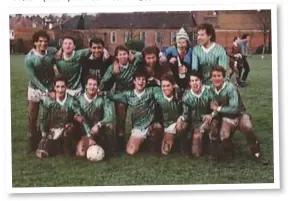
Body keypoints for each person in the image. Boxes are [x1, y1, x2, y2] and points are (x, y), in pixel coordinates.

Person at [209, 65, 268, 164]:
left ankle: (257, 153)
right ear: (211, 78)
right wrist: (212, 114)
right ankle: (230, 151)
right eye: (214, 76)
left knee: (247, 127)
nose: (216, 78)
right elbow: (214, 105)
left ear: (224, 77)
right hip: (227, 117)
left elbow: (234, 108)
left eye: (219, 76)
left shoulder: (230, 87)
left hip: (240, 114)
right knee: (224, 136)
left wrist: (218, 109)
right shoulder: (211, 88)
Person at [106, 69, 163, 156]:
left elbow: (164, 90)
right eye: (138, 79)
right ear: (134, 81)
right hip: (138, 128)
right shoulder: (128, 95)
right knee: (130, 151)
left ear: (146, 81)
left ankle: (153, 143)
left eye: (143, 79)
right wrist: (103, 93)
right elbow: (113, 97)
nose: (141, 82)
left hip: (150, 126)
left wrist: (156, 80)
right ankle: (143, 142)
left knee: (157, 127)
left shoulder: (152, 91)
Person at [99, 45, 142, 151]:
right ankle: (120, 137)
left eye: (125, 54)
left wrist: (134, 54)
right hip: (120, 94)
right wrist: (99, 90)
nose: (123, 56)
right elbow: (104, 80)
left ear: (128, 55)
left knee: (138, 112)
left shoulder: (133, 64)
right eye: (120, 54)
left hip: (133, 93)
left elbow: (142, 54)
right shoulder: (114, 67)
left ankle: (137, 135)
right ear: (117, 56)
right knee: (121, 110)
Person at [36, 75, 90, 159]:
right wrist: (44, 134)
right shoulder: (48, 101)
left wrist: (88, 135)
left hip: (67, 130)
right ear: (54, 87)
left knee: (69, 129)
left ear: (66, 87)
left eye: (62, 87)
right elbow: (42, 119)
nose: (60, 90)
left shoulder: (72, 101)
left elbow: (81, 117)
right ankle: (54, 145)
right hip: (52, 131)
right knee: (41, 154)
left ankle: (66, 147)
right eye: (57, 87)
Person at [24, 30, 58, 152]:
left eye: (45, 41)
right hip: (35, 89)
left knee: (45, 117)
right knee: (32, 117)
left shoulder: (52, 52)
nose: (43, 43)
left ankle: (46, 141)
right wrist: (45, 90)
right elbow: (33, 78)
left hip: (49, 88)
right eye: (40, 41)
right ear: (35, 42)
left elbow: (62, 51)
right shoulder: (29, 58)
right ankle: (32, 141)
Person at [180, 70, 220, 161]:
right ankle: (199, 142)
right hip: (196, 124)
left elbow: (216, 109)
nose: (195, 83)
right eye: (192, 81)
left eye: (197, 80)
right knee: (196, 153)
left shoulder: (209, 92)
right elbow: (186, 114)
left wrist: (211, 115)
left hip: (208, 121)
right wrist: (182, 118)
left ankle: (214, 149)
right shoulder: (187, 96)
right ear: (189, 83)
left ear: (201, 81)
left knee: (212, 126)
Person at [76, 75, 116, 158]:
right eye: (90, 84)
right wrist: (88, 134)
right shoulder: (79, 100)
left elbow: (110, 116)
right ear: (86, 86)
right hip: (84, 132)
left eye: (94, 85)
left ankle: (108, 148)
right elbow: (79, 117)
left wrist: (99, 124)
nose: (92, 87)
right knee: (81, 154)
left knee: (109, 125)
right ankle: (84, 143)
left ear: (97, 86)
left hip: (99, 131)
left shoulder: (103, 99)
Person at [152, 74, 188, 156]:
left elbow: (186, 110)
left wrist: (181, 118)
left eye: (168, 86)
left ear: (173, 85)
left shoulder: (179, 95)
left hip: (179, 122)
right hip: (167, 125)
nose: (166, 88)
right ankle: (167, 140)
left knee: (181, 127)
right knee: (165, 152)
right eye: (163, 86)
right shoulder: (158, 97)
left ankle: (183, 145)